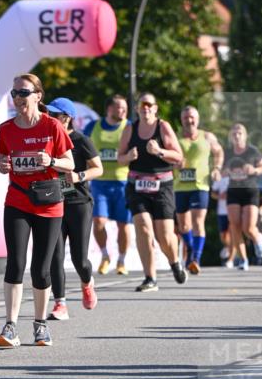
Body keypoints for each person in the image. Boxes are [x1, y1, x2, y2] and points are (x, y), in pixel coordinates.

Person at [0, 73, 74, 347]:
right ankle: (10, 326)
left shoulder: (53, 126)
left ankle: (40, 325)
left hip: (49, 203)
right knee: (15, 262)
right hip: (17, 200)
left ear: (38, 96)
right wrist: (3, 165)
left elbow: (70, 164)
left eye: (24, 93)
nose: (18, 98)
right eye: (15, 93)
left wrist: (50, 160)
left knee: (41, 269)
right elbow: (2, 158)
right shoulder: (5, 129)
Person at [117, 92, 186, 292]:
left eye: (149, 104)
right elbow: (120, 157)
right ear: (137, 109)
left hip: (162, 185)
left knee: (164, 236)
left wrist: (159, 152)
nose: (145, 108)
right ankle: (150, 277)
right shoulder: (130, 128)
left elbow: (178, 157)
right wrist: (128, 156)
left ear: (155, 108)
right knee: (143, 228)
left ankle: (174, 262)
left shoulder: (163, 127)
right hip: (137, 185)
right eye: (141, 105)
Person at [46, 97, 102, 321]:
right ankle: (60, 304)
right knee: (55, 256)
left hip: (79, 203)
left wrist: (79, 176)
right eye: (48, 113)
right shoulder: (46, 140)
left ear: (66, 118)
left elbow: (98, 168)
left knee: (80, 259)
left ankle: (87, 282)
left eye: (54, 114)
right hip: (54, 202)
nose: (49, 117)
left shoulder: (81, 140)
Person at [84, 94, 132, 275]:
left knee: (123, 225)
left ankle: (121, 260)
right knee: (98, 222)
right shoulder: (93, 127)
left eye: (125, 108)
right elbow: (81, 148)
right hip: (100, 183)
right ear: (109, 109)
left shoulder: (129, 127)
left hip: (123, 182)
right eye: (120, 107)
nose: (123, 111)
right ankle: (105, 256)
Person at [175, 105, 223, 274]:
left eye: (192, 117)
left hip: (200, 185)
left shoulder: (207, 136)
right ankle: (189, 250)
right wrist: (174, 163)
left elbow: (219, 152)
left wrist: (217, 168)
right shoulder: (175, 138)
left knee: (197, 221)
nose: (189, 120)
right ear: (182, 120)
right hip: (179, 186)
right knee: (184, 225)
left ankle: (196, 258)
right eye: (186, 117)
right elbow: (166, 156)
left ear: (198, 119)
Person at [223, 123, 262, 271]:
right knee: (234, 225)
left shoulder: (252, 151)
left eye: (239, 133)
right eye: (234, 134)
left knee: (248, 227)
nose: (237, 136)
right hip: (233, 190)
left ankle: (258, 239)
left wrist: (254, 170)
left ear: (245, 136)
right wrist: (224, 172)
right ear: (231, 136)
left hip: (250, 190)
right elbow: (220, 170)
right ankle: (243, 259)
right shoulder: (227, 152)